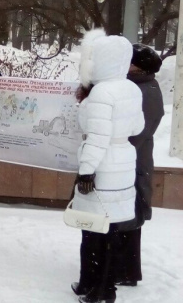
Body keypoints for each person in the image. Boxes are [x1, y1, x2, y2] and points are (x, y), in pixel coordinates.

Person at [71, 30, 144, 303]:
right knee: (109, 232)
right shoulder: (131, 88)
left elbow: (98, 138)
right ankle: (95, 283)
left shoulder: (101, 92)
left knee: (93, 232)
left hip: (102, 169)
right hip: (122, 165)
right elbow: (138, 126)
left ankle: (99, 289)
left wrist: (86, 170)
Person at [112, 44, 164, 287]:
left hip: (133, 161)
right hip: (132, 159)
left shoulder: (145, 91)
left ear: (139, 67)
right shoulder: (139, 86)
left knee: (128, 214)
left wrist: (113, 142)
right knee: (125, 214)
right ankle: (123, 268)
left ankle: (125, 270)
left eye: (130, 61)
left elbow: (137, 132)